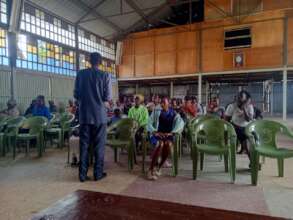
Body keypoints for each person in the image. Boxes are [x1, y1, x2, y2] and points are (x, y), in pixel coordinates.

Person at [74, 52, 111, 182]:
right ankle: (98, 173)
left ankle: (82, 175)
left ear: (89, 61)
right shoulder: (105, 75)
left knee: (83, 146)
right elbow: (107, 98)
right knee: (99, 146)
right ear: (100, 62)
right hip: (100, 117)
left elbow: (76, 95)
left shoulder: (80, 74)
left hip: (84, 115)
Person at [147, 97, 184, 180]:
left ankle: (159, 168)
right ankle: (150, 170)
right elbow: (148, 122)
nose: (162, 104)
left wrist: (172, 132)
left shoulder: (173, 113)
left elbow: (181, 123)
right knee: (160, 144)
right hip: (157, 134)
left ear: (168, 104)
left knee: (168, 144)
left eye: (164, 102)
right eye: (161, 102)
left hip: (167, 135)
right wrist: (154, 131)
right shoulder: (156, 111)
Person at [224, 90, 254, 162]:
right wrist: (230, 129)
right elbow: (226, 120)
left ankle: (252, 157)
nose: (239, 98)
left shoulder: (249, 107)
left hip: (247, 127)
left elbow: (248, 120)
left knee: (253, 140)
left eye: (241, 97)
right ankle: (253, 162)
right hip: (236, 127)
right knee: (246, 142)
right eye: (238, 96)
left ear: (246, 99)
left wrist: (244, 109)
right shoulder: (232, 106)